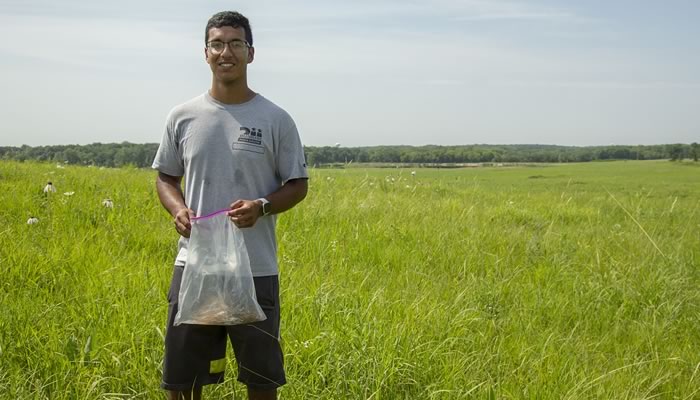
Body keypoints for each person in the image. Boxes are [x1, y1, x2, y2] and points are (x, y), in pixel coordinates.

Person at [152, 10, 308, 400]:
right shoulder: (183, 116)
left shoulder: (275, 119)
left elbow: (298, 184)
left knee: (261, 378)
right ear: (205, 53)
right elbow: (165, 177)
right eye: (218, 44)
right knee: (182, 379)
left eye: (236, 44)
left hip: (255, 269)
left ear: (251, 53)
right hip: (195, 266)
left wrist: (262, 206)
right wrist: (177, 209)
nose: (227, 52)